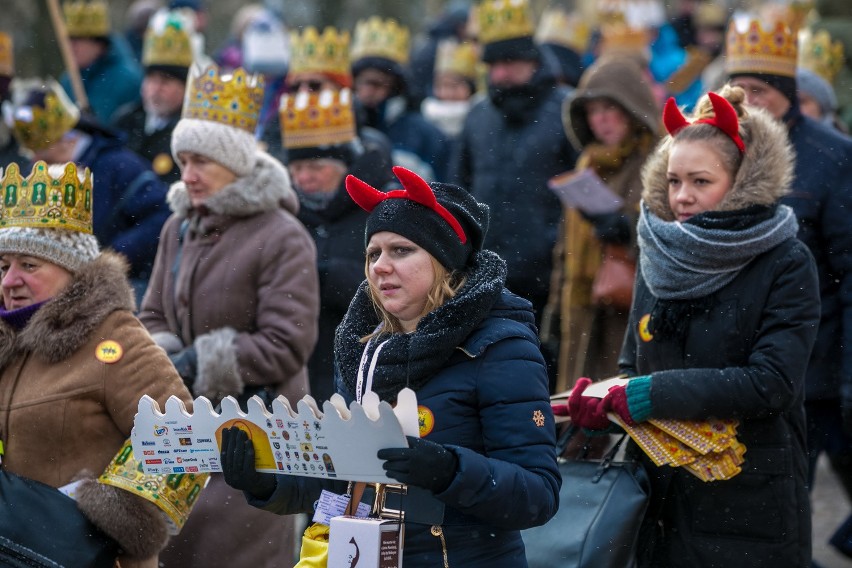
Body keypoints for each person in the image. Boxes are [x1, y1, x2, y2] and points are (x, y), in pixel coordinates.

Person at [220, 165, 560, 566]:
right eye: (373, 253)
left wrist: (449, 470)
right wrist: (267, 481)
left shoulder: (499, 347)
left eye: (401, 250)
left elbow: (538, 496)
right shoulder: (363, 348)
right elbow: (341, 480)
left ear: (443, 261)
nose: (380, 266)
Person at [568, 86, 820, 566]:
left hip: (747, 499)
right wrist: (605, 400)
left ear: (742, 181)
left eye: (700, 182)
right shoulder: (660, 249)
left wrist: (650, 394)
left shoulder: (785, 260)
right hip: (660, 500)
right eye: (673, 180)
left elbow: (772, 384)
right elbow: (632, 364)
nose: (681, 197)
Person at [138, 62, 319, 567]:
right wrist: (171, 356)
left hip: (259, 436)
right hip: (185, 430)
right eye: (183, 161)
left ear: (235, 163)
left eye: (201, 162)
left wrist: (208, 359)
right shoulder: (178, 228)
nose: (188, 175)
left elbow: (288, 342)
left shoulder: (282, 235)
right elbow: (151, 312)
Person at [0, 160, 193, 568]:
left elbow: (184, 434)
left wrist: (110, 513)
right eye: (4, 266)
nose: (9, 281)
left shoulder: (114, 336)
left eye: (29, 265)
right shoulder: (9, 345)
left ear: (71, 273)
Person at [726, 17, 852, 563]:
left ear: (787, 95)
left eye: (761, 91)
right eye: (741, 90)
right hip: (744, 357)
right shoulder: (722, 148)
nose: (749, 102)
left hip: (817, 361)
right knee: (761, 498)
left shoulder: (831, 155)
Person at [450, 0, 577, 384]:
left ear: (533, 62)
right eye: (494, 66)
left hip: (548, 273)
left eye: (510, 63)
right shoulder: (476, 116)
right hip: (486, 271)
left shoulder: (565, 112)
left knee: (544, 372)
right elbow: (458, 190)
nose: (501, 74)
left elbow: (584, 188)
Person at [544, 55, 660, 391]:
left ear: (632, 108)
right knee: (577, 410)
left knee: (616, 408)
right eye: (593, 111)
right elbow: (565, 247)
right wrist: (554, 313)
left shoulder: (656, 161)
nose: (602, 119)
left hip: (628, 313)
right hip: (580, 311)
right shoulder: (587, 163)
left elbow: (672, 234)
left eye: (611, 108)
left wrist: (628, 230)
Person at [6, 79, 170, 301]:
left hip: (125, 283)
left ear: (68, 140)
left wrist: (112, 256)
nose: (34, 160)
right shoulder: (37, 170)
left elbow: (160, 217)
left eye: (42, 150)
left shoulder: (119, 166)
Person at [281, 86, 392, 403]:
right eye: (298, 169)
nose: (305, 178)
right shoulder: (284, 213)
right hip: (298, 362)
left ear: (344, 166)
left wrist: (326, 277)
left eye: (316, 167)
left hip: (364, 356)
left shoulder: (377, 210)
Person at [351, 17, 448, 181]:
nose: (368, 91)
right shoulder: (342, 129)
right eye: (363, 82)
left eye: (377, 84)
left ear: (394, 88)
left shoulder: (423, 133)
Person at [113, 8, 196, 184]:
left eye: (166, 81)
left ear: (184, 88)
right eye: (151, 80)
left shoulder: (191, 130)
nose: (156, 89)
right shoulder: (126, 120)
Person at [60, 0, 143, 123]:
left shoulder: (129, 80)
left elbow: (132, 131)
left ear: (99, 44)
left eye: (78, 40)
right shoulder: (68, 80)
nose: (71, 47)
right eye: (69, 40)